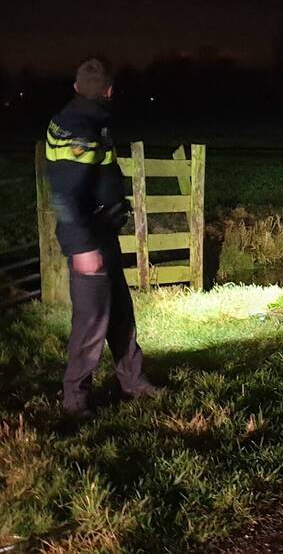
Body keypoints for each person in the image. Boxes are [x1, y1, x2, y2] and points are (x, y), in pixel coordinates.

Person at [45, 57, 161, 417]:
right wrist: (82, 248)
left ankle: (132, 380)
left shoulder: (90, 118)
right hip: (88, 240)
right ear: (109, 91)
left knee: (120, 312)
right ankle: (75, 397)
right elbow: (65, 194)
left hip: (101, 233)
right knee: (91, 319)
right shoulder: (78, 127)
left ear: (78, 87)